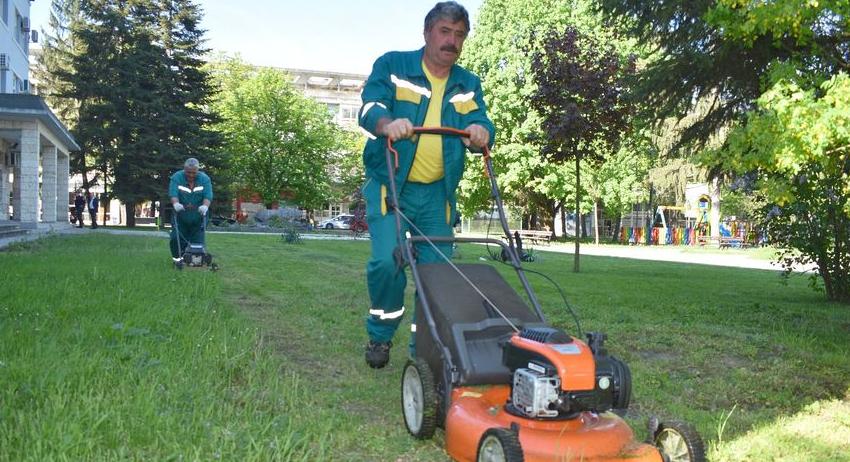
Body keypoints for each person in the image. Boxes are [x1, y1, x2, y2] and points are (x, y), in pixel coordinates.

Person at [358, 1, 494, 368]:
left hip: (437, 195)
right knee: (387, 263)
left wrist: (482, 132)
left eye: (459, 35)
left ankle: (426, 350)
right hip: (391, 184)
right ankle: (381, 335)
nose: (452, 41)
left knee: (437, 275)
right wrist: (386, 123)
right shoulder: (394, 65)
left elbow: (480, 120)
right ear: (427, 32)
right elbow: (369, 106)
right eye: (445, 32)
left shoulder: (467, 83)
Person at [168, 158, 213, 263]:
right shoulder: (177, 177)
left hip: (199, 216)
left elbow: (208, 195)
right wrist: (176, 203)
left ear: (198, 170)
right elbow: (173, 193)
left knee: (197, 240)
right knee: (176, 238)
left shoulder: (204, 179)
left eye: (194, 172)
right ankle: (178, 259)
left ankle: (195, 261)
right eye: (188, 172)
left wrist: (205, 206)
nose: (191, 175)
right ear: (184, 169)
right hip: (181, 215)